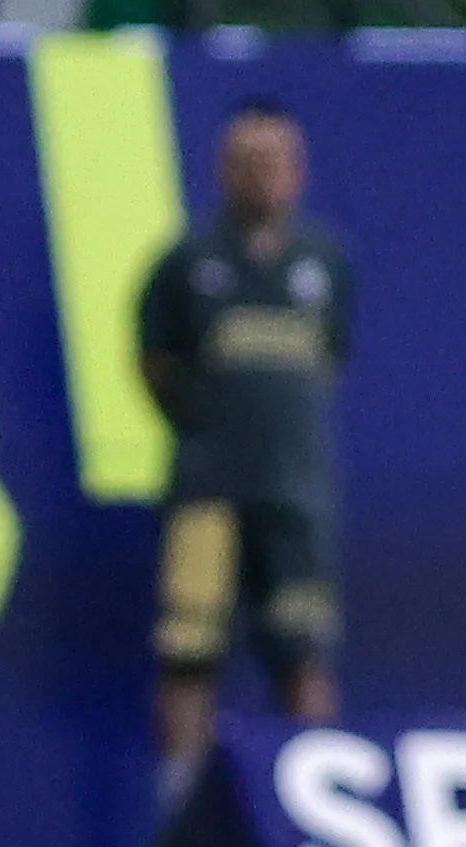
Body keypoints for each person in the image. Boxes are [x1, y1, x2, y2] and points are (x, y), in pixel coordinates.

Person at [136, 101, 354, 810]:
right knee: (189, 650)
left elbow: (330, 361)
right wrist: (208, 432)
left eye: (273, 161)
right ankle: (180, 812)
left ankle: (310, 816)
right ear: (221, 170)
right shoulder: (185, 264)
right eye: (245, 161)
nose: (259, 176)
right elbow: (154, 365)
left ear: (297, 172)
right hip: (208, 491)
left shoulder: (323, 264)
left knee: (304, 647)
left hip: (296, 497)